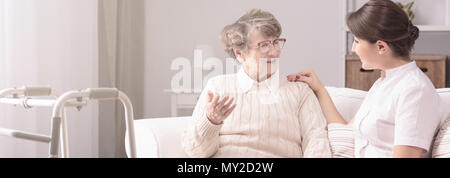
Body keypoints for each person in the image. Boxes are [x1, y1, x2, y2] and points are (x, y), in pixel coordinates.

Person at [288, 0, 445, 158]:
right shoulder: (384, 83)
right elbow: (348, 131)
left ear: (381, 47)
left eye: (356, 41)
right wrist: (319, 89)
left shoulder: (415, 91)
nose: (353, 49)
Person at [181, 9, 331, 158]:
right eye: (264, 45)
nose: (274, 52)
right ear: (239, 53)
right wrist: (211, 121)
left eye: (276, 42)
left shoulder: (299, 91)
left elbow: (317, 141)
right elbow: (195, 153)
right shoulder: (218, 87)